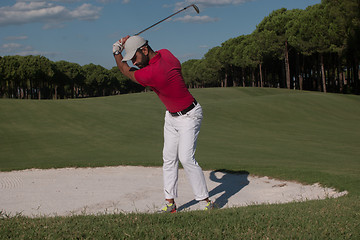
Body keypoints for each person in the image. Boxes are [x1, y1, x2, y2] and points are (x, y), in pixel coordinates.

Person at [113, 35, 213, 212]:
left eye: (134, 58)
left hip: (189, 115)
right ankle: (170, 203)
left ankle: (205, 202)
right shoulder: (167, 54)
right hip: (171, 116)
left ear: (144, 50)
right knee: (168, 158)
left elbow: (124, 70)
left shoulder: (151, 74)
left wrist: (116, 52)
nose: (134, 63)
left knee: (186, 158)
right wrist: (130, 43)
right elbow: (154, 56)